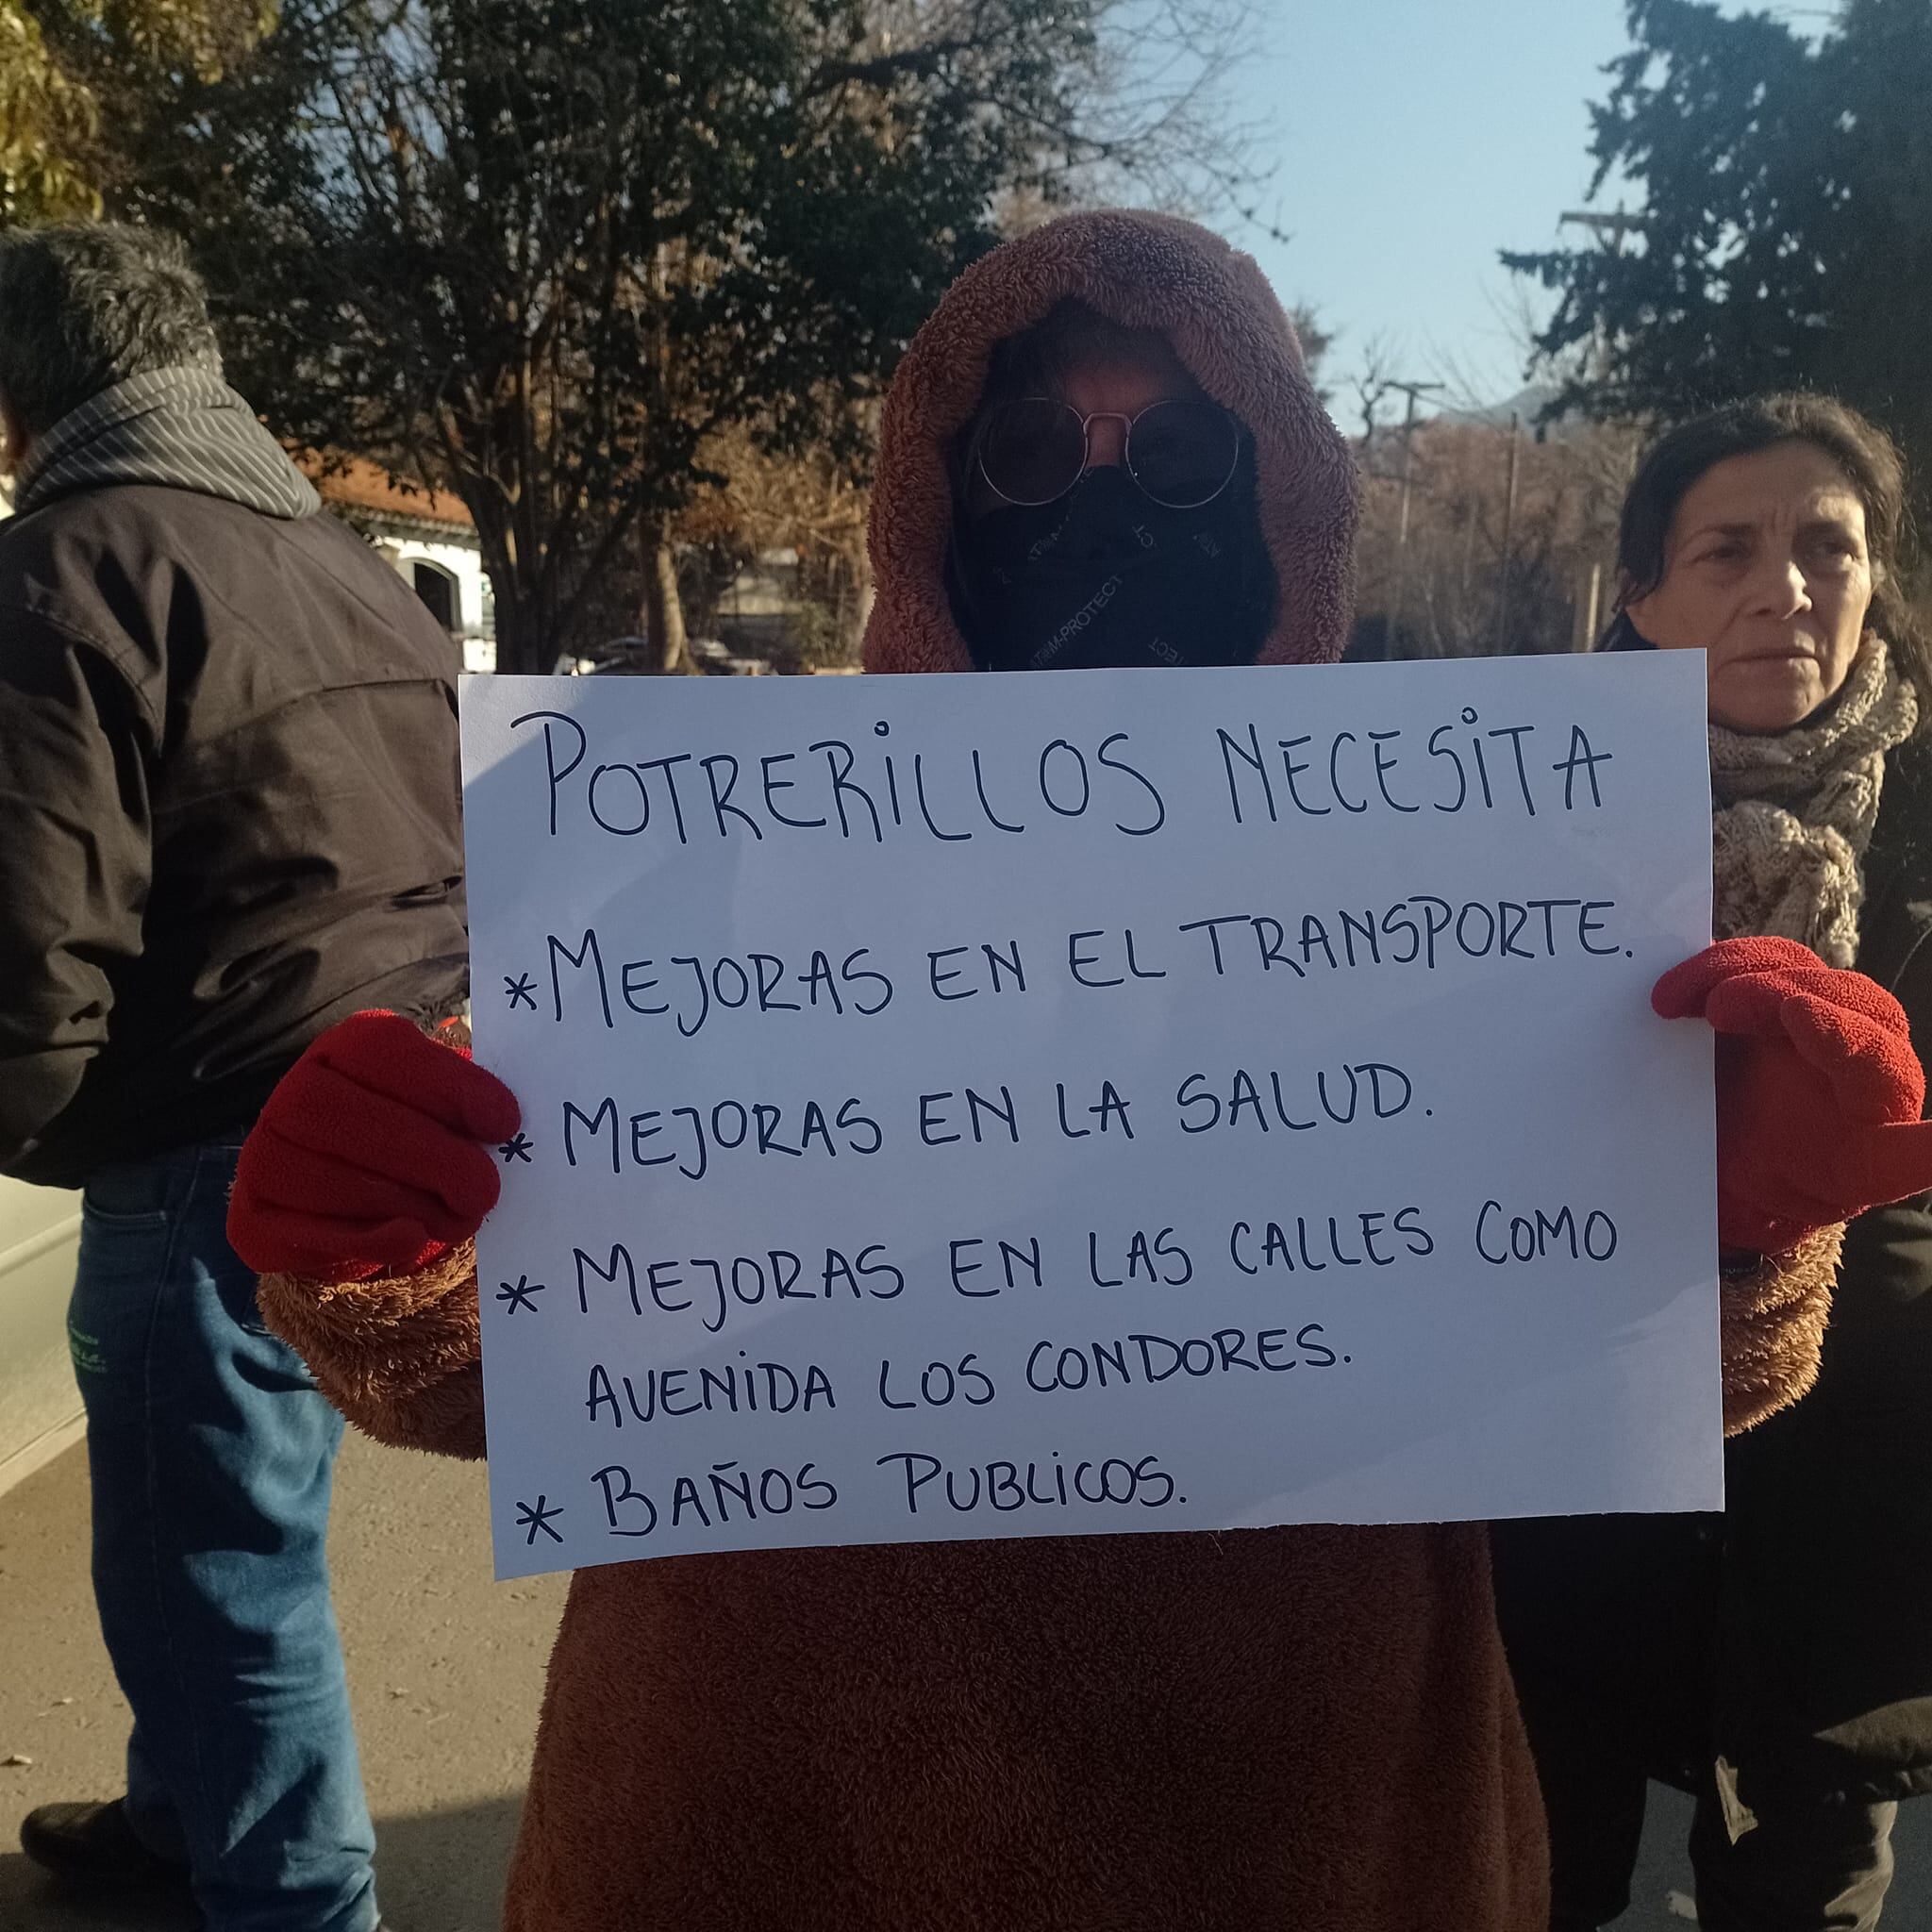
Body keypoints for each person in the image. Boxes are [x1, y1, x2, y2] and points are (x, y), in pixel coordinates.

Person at [224, 212, 1932, 1932]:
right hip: (762, 1824)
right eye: (1034, 454)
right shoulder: (711, 870)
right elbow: (490, 1385)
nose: (1106, 508)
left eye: (1184, 456)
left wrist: (1728, 1217)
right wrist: (385, 1259)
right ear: (932, 502)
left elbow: (1648, 1390)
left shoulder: (1451, 873)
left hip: (1307, 1831)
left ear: (1286, 505)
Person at [0, 221, 468, 1932]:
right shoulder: (337, 555)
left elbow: (34, 927)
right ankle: (180, 1818)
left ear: (19, 398)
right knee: (209, 1529)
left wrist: (32, 1124)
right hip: (394, 1113)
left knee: (215, 1565)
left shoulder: (67, 566)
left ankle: (296, 1899)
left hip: (215, 1135)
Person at [1493, 394, 1932, 1932]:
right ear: (1644, 594)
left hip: (1852, 1526)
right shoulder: (1507, 833)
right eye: (1730, 548)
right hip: (1569, 1522)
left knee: (1809, 1895)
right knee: (1541, 1883)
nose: (1788, 587)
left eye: (1831, 546)